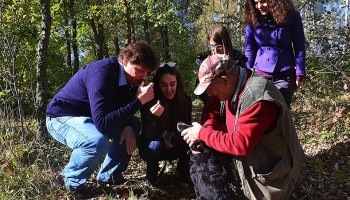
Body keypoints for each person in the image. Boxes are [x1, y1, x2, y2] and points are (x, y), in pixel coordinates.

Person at [181, 51, 305, 199]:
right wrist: (207, 130)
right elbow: (212, 110)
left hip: (274, 174)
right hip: (254, 157)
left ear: (225, 80)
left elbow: (240, 144)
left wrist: (202, 134)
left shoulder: (258, 99)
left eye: (210, 89)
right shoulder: (233, 83)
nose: (209, 94)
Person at [46, 41, 158, 193]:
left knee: (134, 124)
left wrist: (129, 125)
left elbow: (118, 110)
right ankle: (71, 182)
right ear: (125, 61)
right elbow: (103, 124)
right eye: (139, 70)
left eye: (147, 72)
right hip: (62, 117)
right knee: (96, 140)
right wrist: (138, 101)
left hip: (91, 118)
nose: (143, 76)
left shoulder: (132, 79)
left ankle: (109, 176)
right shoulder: (102, 73)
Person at [137, 62, 192, 186]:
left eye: (172, 84)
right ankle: (151, 176)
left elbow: (186, 126)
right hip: (154, 143)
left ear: (178, 82)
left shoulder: (185, 100)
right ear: (158, 85)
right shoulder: (150, 100)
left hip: (176, 142)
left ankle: (184, 172)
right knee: (155, 146)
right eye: (164, 85)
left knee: (191, 140)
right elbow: (147, 133)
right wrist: (155, 118)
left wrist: (174, 138)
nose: (169, 89)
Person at [244, 0, 306, 107]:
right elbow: (250, 49)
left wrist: (299, 73)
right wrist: (247, 74)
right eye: (256, 2)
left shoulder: (292, 16)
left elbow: (299, 46)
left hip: (285, 75)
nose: (259, 6)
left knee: (281, 115)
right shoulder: (252, 18)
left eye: (263, 1)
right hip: (259, 77)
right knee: (261, 114)